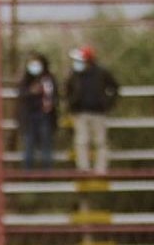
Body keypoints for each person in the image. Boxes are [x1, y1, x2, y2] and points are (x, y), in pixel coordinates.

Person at [65, 45, 119, 174]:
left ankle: (101, 168)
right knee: (81, 141)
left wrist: (108, 103)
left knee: (100, 141)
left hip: (98, 112)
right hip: (80, 112)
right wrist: (71, 104)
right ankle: (83, 167)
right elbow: (68, 90)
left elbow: (114, 87)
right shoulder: (74, 74)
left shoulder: (102, 72)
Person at [16, 52, 59, 170]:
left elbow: (55, 95)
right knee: (29, 144)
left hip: (46, 116)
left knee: (46, 144)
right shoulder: (25, 79)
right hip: (29, 116)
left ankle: (47, 173)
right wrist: (31, 92)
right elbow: (21, 95)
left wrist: (50, 103)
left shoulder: (49, 78)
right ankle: (27, 174)